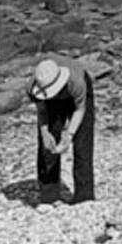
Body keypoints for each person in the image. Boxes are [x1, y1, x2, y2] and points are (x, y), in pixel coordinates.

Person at [28, 57, 95, 204]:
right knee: (47, 148)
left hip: (77, 98)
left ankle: (84, 198)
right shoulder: (34, 87)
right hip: (50, 104)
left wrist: (69, 135)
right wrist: (45, 133)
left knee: (82, 145)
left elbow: (80, 109)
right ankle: (49, 196)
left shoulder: (77, 82)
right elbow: (42, 112)